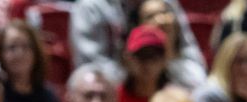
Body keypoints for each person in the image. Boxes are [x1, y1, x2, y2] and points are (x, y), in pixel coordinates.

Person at [69, 0, 205, 87]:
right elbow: (92, 71)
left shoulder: (165, 5)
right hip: (115, 91)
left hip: (169, 84)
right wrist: (140, 76)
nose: (161, 19)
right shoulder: (91, 6)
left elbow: (193, 62)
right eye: (150, 16)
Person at [0, 20, 61, 102]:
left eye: (26, 47)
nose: (20, 53)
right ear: (1, 54)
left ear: (36, 52)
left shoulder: (49, 96)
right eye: (12, 48)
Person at [110, 24, 170, 102]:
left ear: (164, 61)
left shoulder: (175, 101)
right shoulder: (113, 99)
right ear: (127, 59)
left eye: (154, 57)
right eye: (141, 56)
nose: (147, 64)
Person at [133, 0, 207, 90]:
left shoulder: (191, 70)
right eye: (150, 16)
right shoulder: (136, 75)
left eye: (164, 12)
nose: (161, 20)